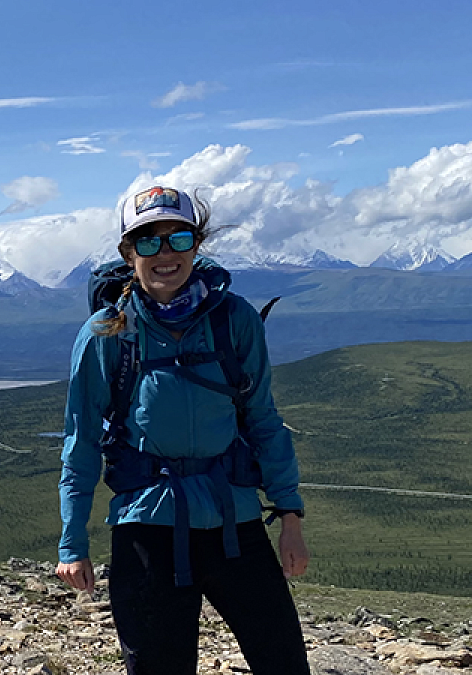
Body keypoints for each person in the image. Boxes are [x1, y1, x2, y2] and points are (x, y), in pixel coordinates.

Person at [55, 185, 310, 674]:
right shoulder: (108, 332)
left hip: (232, 517)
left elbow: (263, 420)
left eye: (178, 238)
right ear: (129, 254)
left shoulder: (234, 320)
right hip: (146, 523)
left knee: (282, 661)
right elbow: (81, 438)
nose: (164, 253)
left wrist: (290, 520)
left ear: (197, 244)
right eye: (148, 242)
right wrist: (72, 542)